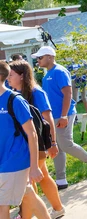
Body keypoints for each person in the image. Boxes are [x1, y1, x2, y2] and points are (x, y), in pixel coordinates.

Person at [32, 46, 87, 190]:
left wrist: (64, 115)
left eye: (40, 57)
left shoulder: (59, 71)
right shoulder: (47, 75)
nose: (38, 60)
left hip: (64, 114)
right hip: (54, 116)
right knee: (56, 147)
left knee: (66, 145)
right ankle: (61, 180)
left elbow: (68, 94)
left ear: (50, 57)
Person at [8, 60, 65, 219]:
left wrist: (53, 143)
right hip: (24, 145)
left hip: (37, 144)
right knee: (42, 176)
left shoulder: (36, 93)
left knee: (28, 181)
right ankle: (57, 208)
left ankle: (27, 213)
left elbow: (48, 119)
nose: (8, 78)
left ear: (22, 75)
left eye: (11, 75)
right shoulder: (14, 94)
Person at [0, 61, 49, 219]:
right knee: (28, 194)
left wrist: (34, 167)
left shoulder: (15, 100)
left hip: (15, 160)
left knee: (2, 205)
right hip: (3, 161)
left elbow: (32, 134)